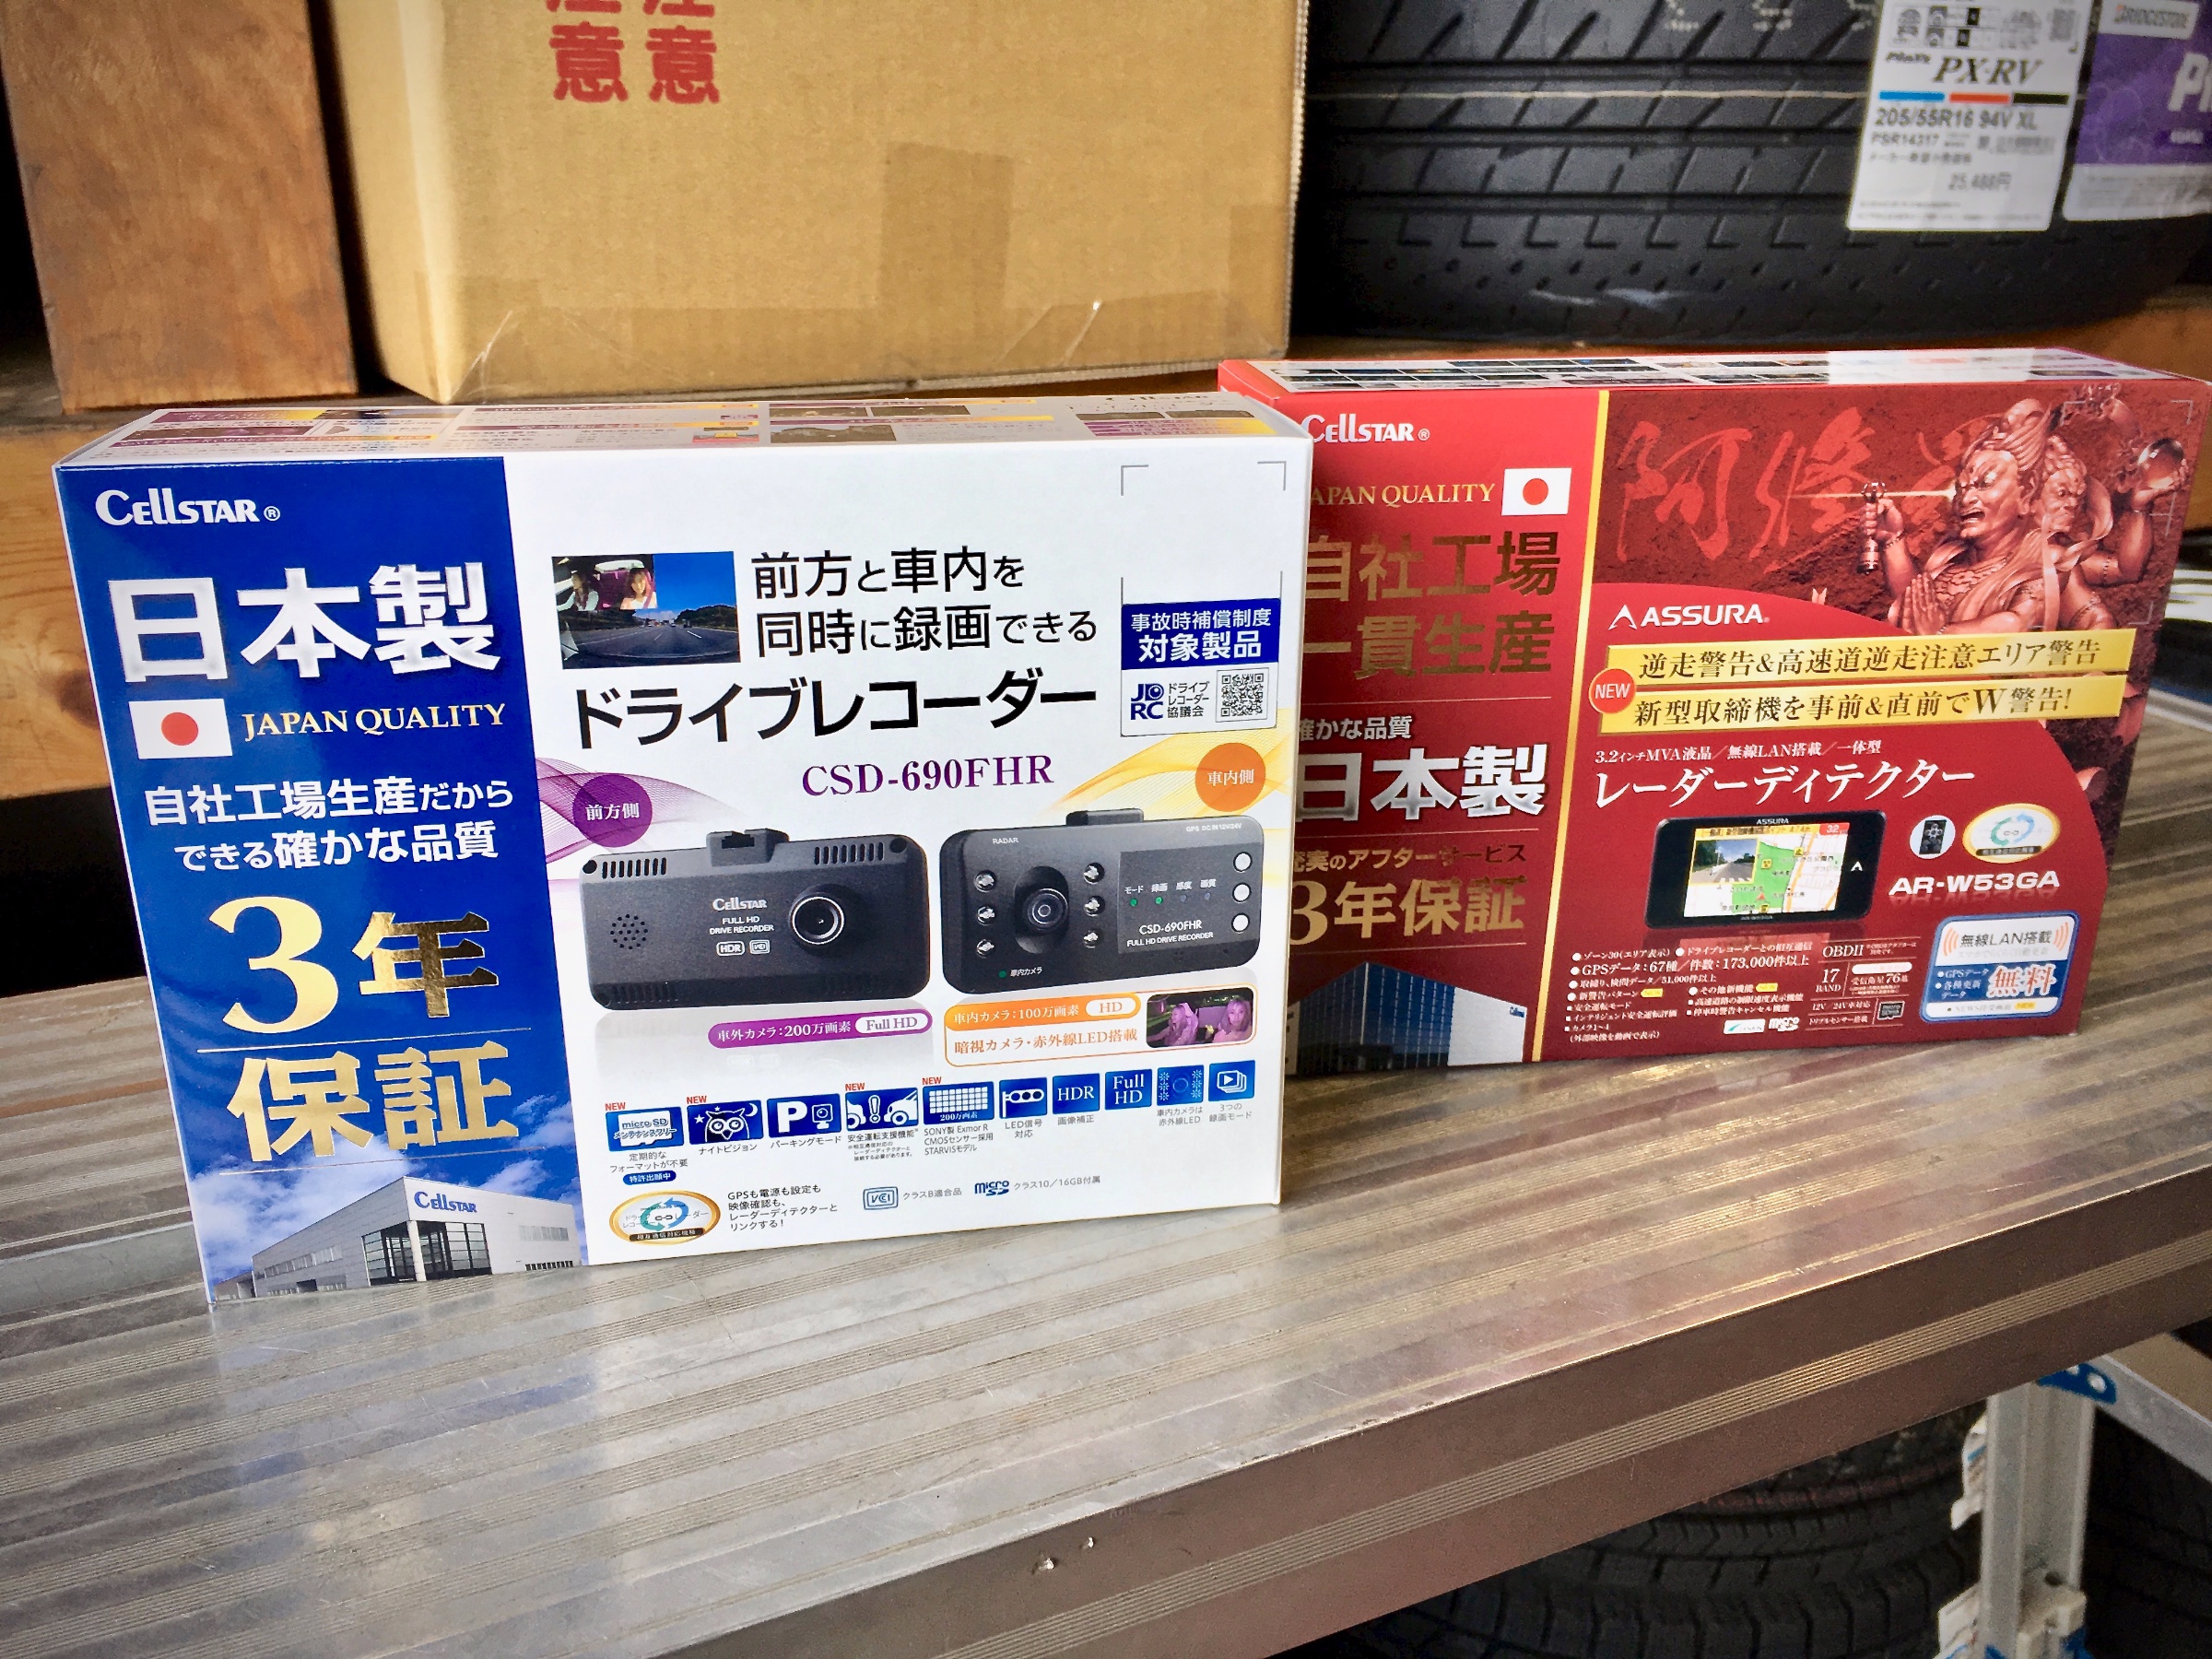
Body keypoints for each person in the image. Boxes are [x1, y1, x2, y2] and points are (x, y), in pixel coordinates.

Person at [1864, 393, 2187, 636]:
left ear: (2027, 495)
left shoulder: (2046, 563)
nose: (1966, 498)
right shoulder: (1951, 556)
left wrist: (1943, 634)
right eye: (1962, 487)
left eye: (1984, 483)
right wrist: (1893, 541)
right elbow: (1914, 606)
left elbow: (2016, 622)